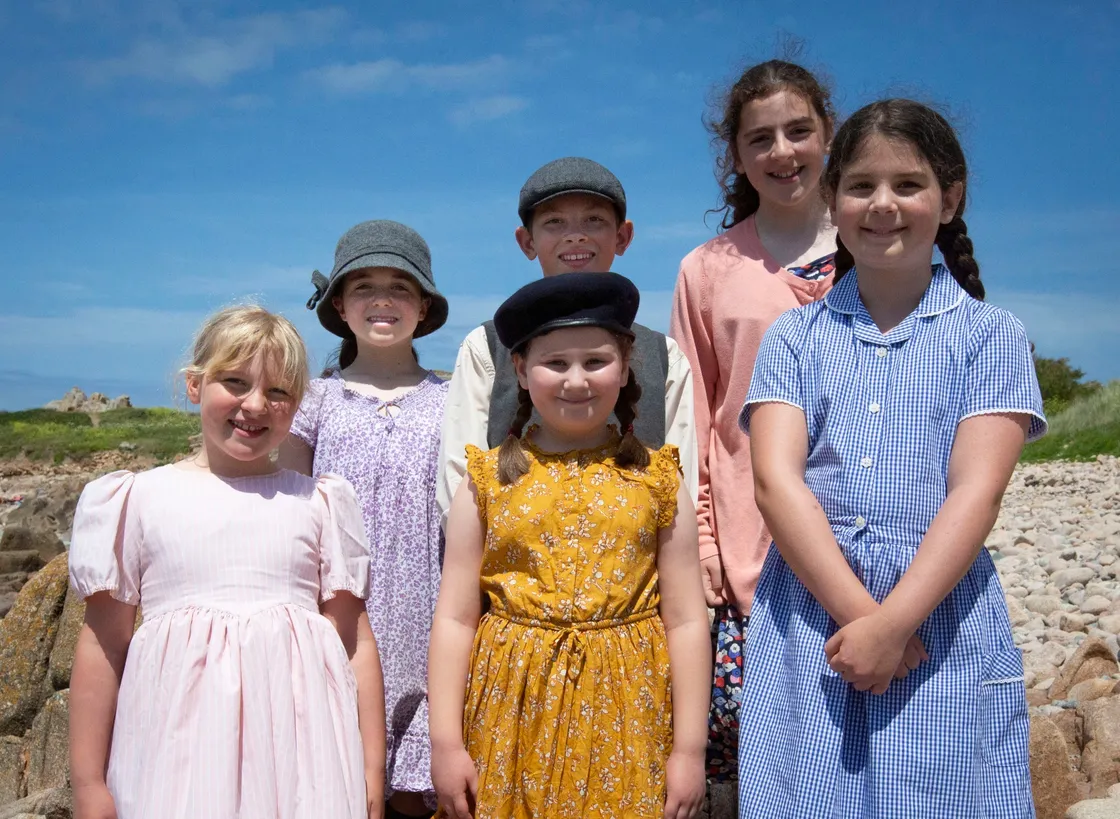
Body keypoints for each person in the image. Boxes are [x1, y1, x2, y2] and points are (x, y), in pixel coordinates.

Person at [737, 99, 1046, 817]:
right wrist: (862, 619)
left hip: (939, 610)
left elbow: (977, 491)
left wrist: (897, 622)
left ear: (950, 197)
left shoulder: (991, 336)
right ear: (832, 198)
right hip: (815, 611)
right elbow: (777, 483)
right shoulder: (794, 337)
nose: (883, 205)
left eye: (908, 185)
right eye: (861, 186)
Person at [68, 305, 385, 819]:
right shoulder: (138, 498)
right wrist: (87, 782)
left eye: (278, 391)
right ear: (195, 386)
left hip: (304, 756)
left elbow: (354, 643)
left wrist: (372, 767)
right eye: (235, 381)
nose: (255, 404)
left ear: (297, 404)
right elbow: (104, 642)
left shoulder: (321, 503)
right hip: (175, 752)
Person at [428, 273, 711, 819]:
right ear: (520, 370)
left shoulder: (657, 479)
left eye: (595, 361)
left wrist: (688, 748)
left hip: (628, 714)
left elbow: (685, 619)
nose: (576, 381)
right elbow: (456, 618)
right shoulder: (486, 480)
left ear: (625, 367)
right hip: (509, 712)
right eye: (555, 363)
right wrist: (445, 742)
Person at [668, 59, 837, 785]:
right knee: (763, 770)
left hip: (876, 542)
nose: (782, 152)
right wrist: (701, 539)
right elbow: (690, 418)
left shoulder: (881, 245)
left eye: (799, 131)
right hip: (751, 556)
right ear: (734, 156)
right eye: (760, 138)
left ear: (829, 135)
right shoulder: (705, 268)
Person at [280, 220, 449, 819]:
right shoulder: (315, 400)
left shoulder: (454, 400)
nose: (383, 301)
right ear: (340, 308)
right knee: (338, 773)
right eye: (364, 287)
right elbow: (284, 506)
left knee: (415, 792)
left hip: (430, 608)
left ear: (423, 307)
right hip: (337, 612)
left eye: (400, 287)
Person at [436, 157, 699, 528]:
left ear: (623, 236)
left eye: (594, 220)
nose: (576, 236)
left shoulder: (664, 354)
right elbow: (457, 477)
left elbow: (683, 483)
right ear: (526, 241)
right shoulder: (486, 346)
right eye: (554, 222)